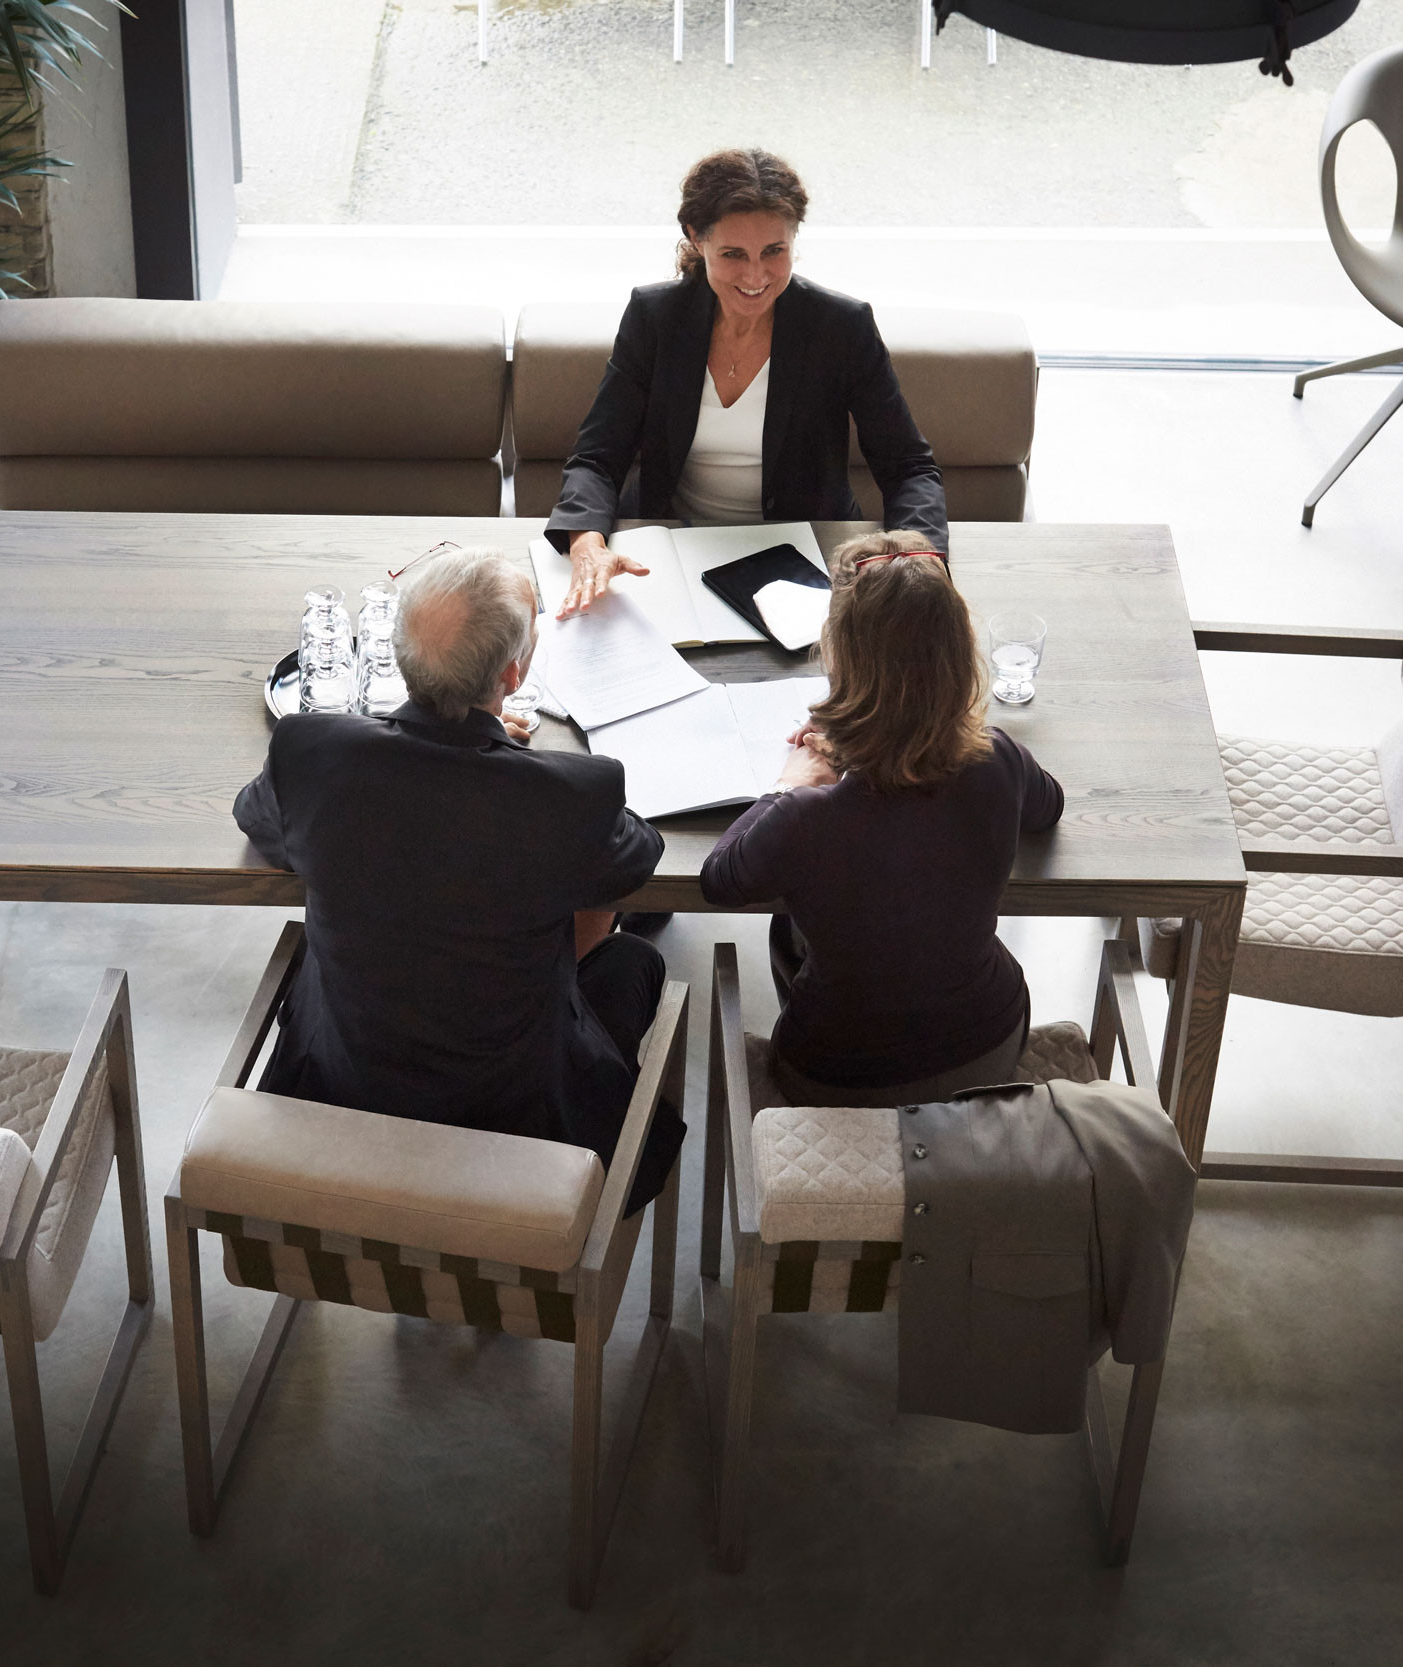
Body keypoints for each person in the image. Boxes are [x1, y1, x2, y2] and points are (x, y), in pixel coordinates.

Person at [232, 547, 684, 1206]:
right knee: (634, 958)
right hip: (522, 1135)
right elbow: (637, 854)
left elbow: (258, 816)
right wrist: (509, 757)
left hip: (339, 1097)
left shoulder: (314, 754)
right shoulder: (569, 796)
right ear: (512, 671)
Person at [699, 533, 1062, 1106]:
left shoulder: (802, 819)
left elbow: (719, 879)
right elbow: (1049, 809)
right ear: (957, 653)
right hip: (990, 1047)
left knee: (788, 930)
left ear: (839, 655)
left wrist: (791, 782)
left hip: (835, 1079)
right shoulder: (1000, 757)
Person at [546, 147, 950, 617]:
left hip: (807, 555)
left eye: (774, 251)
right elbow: (598, 456)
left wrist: (921, 561)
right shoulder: (655, 317)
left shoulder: (840, 326)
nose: (756, 275)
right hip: (672, 550)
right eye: (734, 254)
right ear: (696, 239)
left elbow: (909, 468)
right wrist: (587, 543)